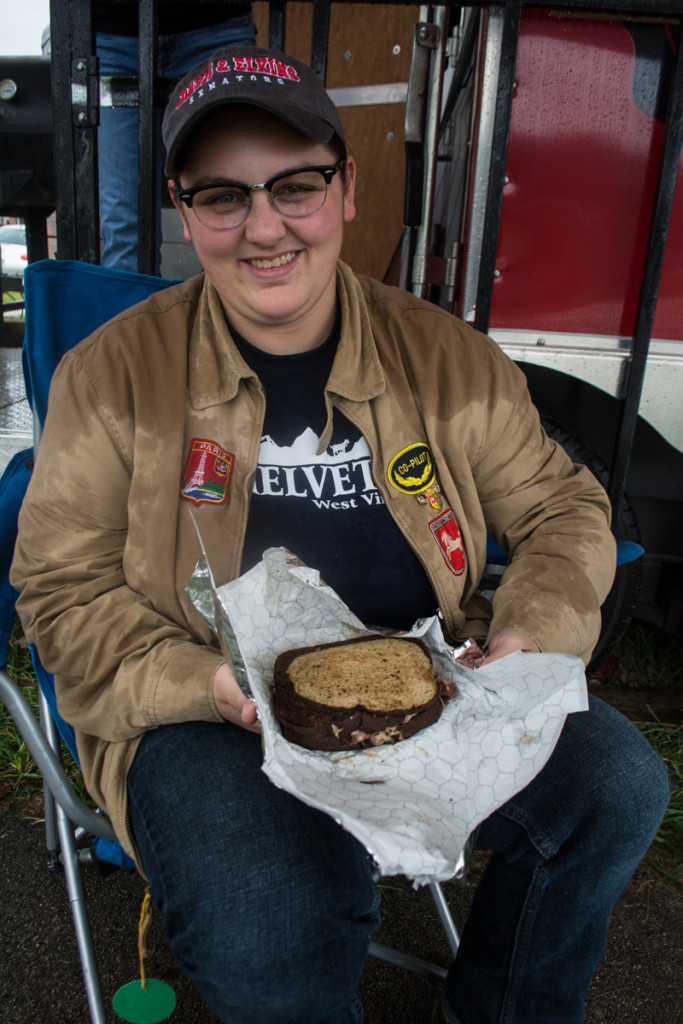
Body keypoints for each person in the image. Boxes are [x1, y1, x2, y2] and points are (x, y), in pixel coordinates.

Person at [11, 46, 669, 1024]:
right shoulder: (111, 377)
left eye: (296, 185)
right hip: (208, 705)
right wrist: (204, 686)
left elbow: (560, 506)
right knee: (273, 919)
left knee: (614, 783)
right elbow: (60, 590)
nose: (263, 226)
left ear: (346, 187)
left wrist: (532, 630)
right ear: (184, 211)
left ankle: (505, 1004)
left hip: (432, 685)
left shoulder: (445, 359)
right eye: (223, 196)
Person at [94, 0, 255, 271]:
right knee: (125, 231)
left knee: (234, 209)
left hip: (217, 21)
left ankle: (229, 313)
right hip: (114, 30)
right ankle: (137, 315)